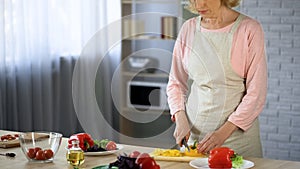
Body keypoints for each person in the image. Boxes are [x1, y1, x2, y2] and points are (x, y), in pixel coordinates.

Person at [166, 0, 267, 157]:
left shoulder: (249, 29)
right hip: (196, 139)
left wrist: (222, 133)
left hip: (238, 140)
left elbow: (256, 93)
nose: (199, 5)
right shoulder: (189, 29)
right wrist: (180, 118)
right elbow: (175, 83)